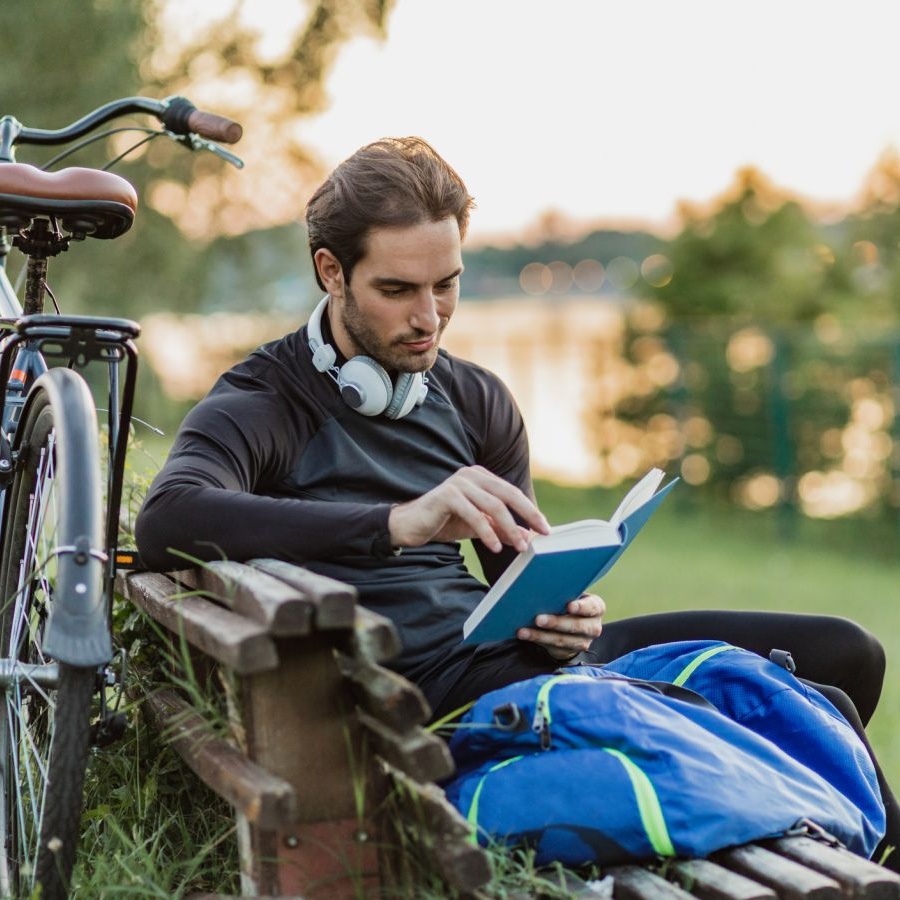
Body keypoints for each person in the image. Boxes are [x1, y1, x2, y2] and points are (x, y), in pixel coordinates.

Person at [135, 136, 897, 866]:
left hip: (517, 664)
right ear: (332, 273)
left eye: (447, 285)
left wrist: (561, 612)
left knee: (845, 653)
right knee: (809, 712)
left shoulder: (474, 400)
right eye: (397, 290)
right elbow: (169, 519)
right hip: (440, 699)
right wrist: (397, 524)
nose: (428, 317)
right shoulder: (267, 400)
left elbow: (515, 577)